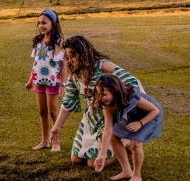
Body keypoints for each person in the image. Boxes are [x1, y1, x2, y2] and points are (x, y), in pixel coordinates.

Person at [49, 36, 142, 169]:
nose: (70, 60)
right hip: (91, 118)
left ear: (84, 53)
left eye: (73, 56)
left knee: (92, 164)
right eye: (68, 57)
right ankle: (116, 144)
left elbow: (132, 82)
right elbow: (68, 101)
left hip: (110, 116)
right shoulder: (74, 73)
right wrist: (57, 127)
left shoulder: (102, 65)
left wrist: (117, 101)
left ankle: (124, 141)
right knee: (76, 160)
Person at [92, 74, 163, 181]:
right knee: (113, 136)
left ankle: (136, 175)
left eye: (104, 94)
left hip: (149, 116)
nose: (101, 97)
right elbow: (107, 130)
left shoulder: (131, 96)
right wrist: (102, 154)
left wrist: (140, 123)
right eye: (99, 94)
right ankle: (126, 171)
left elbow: (154, 110)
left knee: (136, 142)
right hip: (131, 118)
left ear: (114, 91)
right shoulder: (108, 106)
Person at [25, 8, 67, 151]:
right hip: (39, 81)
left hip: (53, 81)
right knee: (42, 112)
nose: (41, 26)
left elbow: (64, 65)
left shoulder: (58, 43)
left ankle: (56, 142)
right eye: (39, 23)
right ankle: (44, 141)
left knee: (53, 112)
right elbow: (37, 63)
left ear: (53, 23)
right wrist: (31, 80)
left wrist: (63, 85)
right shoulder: (38, 41)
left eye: (44, 23)